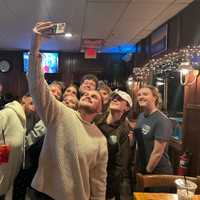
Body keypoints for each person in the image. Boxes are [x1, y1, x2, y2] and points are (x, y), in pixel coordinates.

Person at [27, 21, 108, 200]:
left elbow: (99, 180)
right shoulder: (61, 113)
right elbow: (37, 87)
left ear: (100, 110)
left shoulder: (100, 140)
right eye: (86, 94)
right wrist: (34, 47)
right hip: (46, 194)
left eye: (95, 97)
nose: (89, 96)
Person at [95, 89, 133, 200]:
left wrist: (110, 188)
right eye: (114, 97)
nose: (115, 99)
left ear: (127, 108)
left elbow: (121, 164)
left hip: (105, 179)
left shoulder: (125, 130)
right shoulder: (96, 119)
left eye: (120, 99)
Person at [0, 94, 35, 199]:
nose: (36, 106)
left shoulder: (25, 120)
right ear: (24, 98)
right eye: (34, 101)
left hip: (5, 185)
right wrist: (3, 159)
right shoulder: (8, 113)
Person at [135, 85, 173, 175]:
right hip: (142, 166)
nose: (141, 96)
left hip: (157, 171)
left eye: (145, 94)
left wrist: (147, 171)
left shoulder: (162, 120)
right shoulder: (141, 116)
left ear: (155, 97)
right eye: (139, 95)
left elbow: (157, 152)